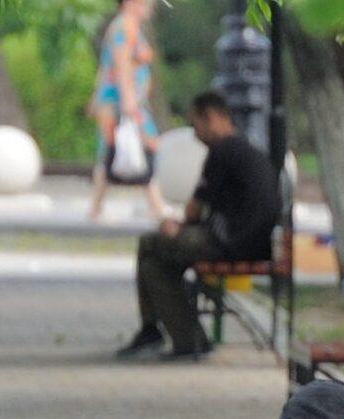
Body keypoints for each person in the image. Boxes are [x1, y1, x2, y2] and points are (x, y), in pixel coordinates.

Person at [116, 91, 282, 362]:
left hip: (230, 243)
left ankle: (163, 333)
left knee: (151, 243)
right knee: (154, 265)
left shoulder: (222, 150)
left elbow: (194, 208)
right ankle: (179, 337)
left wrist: (177, 226)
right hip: (252, 240)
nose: (195, 134)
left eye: (196, 125)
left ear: (212, 117)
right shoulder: (244, 149)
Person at [87, 0, 169, 224]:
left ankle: (98, 207)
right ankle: (156, 205)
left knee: (120, 150)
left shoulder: (127, 25)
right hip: (121, 101)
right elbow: (121, 64)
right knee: (138, 146)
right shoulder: (125, 25)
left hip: (124, 100)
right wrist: (128, 100)